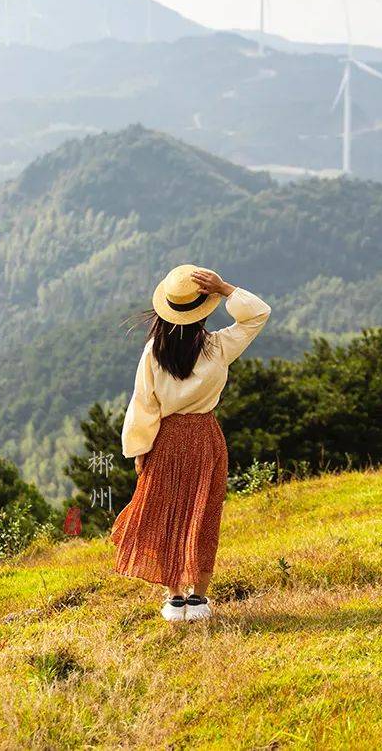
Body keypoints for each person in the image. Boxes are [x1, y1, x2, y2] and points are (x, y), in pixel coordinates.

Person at [109, 264, 271, 623]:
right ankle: (199, 598)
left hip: (164, 440)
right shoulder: (217, 347)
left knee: (167, 515)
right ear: (202, 310)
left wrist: (139, 451)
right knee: (203, 515)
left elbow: (143, 403)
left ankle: (175, 599)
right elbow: (258, 314)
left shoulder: (154, 351)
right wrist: (226, 287)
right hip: (204, 438)